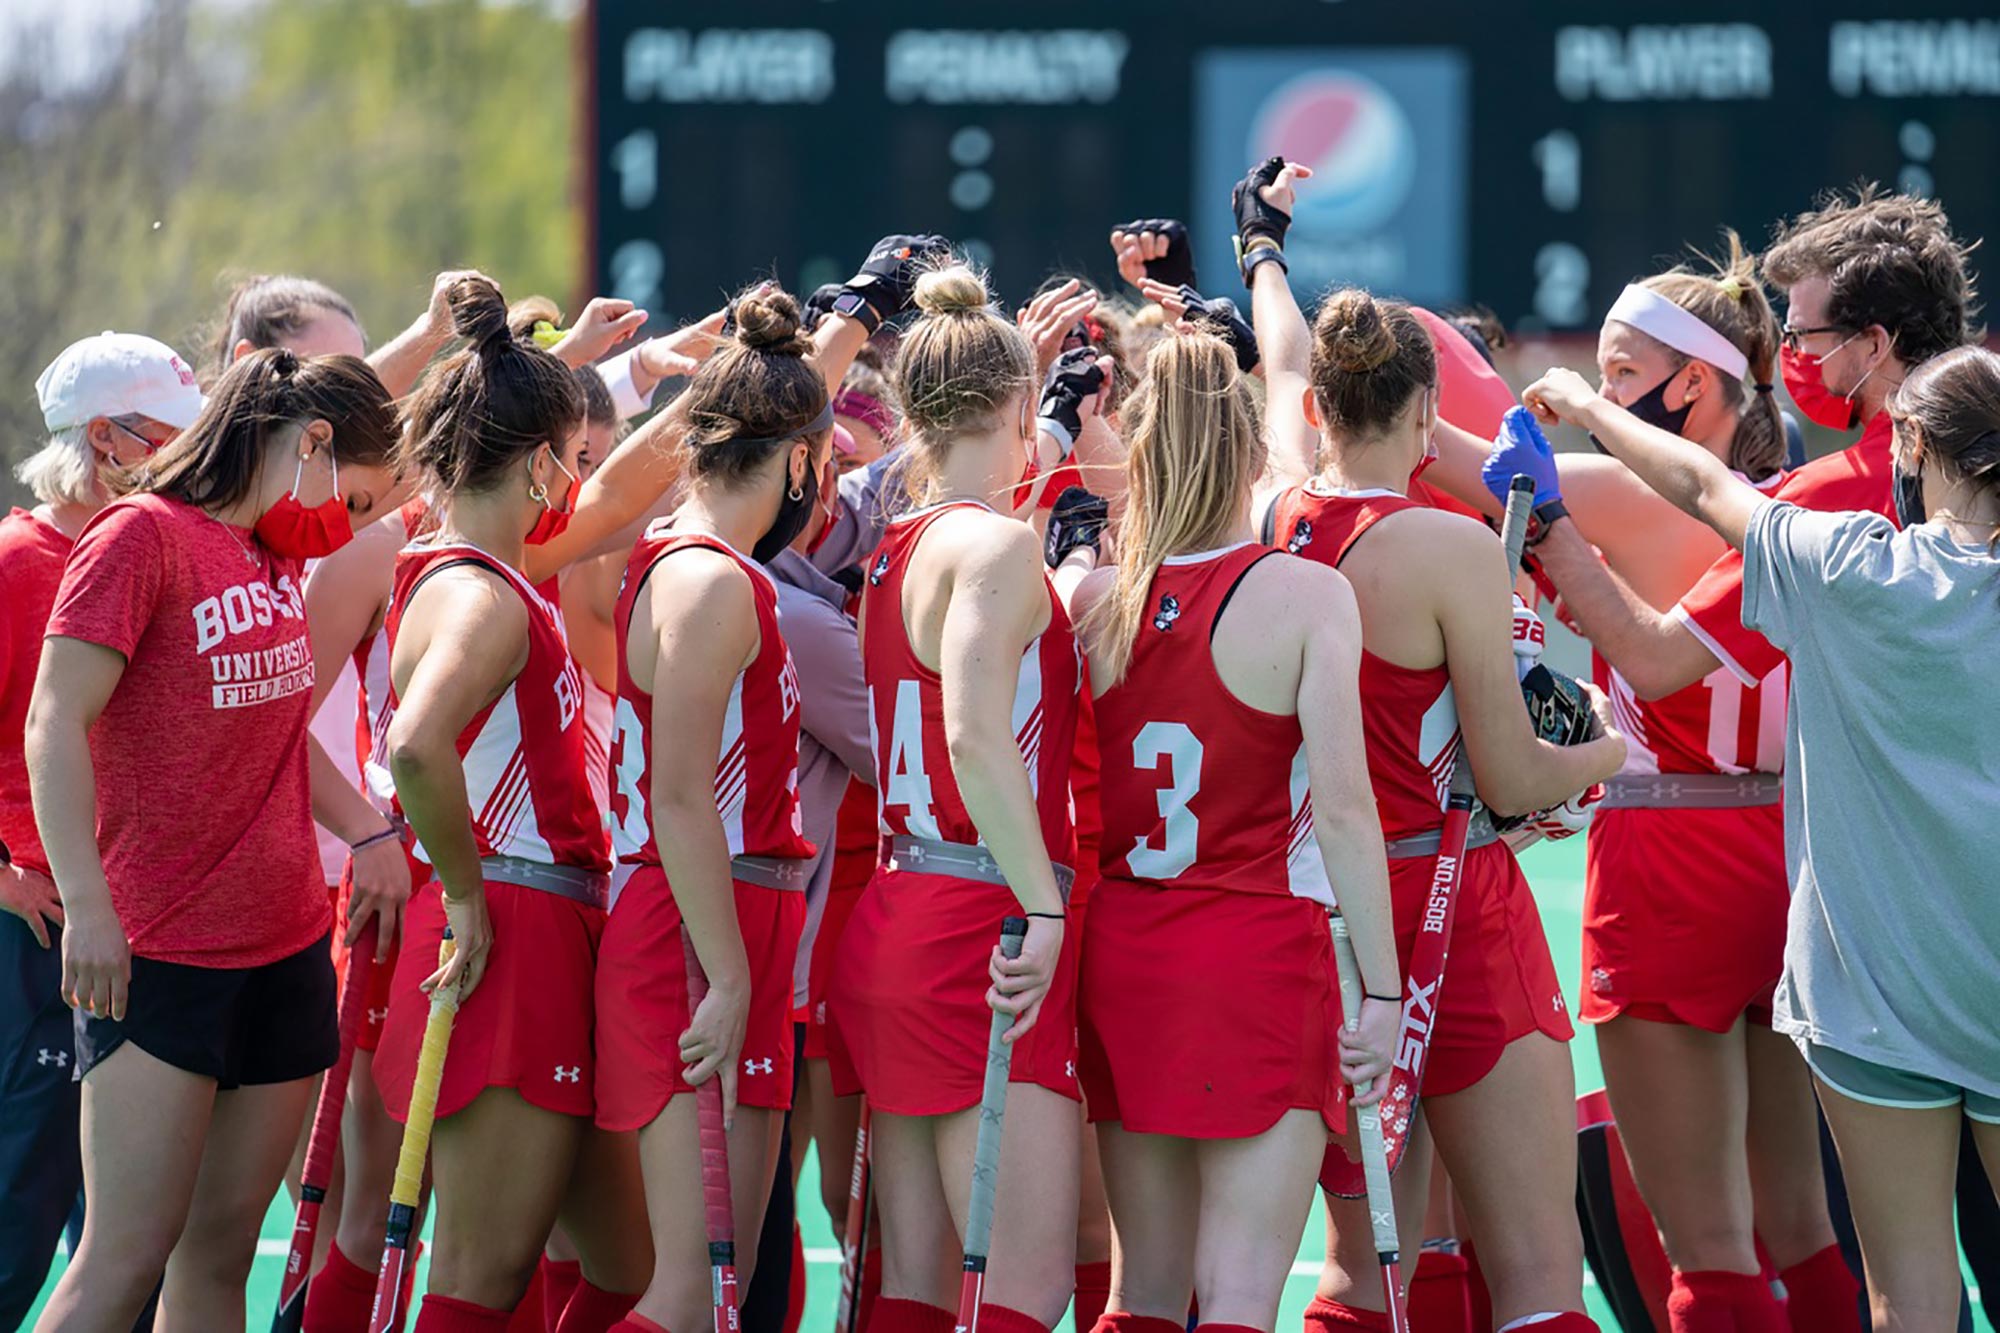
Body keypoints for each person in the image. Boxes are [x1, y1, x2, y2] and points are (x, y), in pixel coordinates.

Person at [1519, 342, 2000, 1333]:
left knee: (1901, 1294)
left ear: (1909, 444)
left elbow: (1701, 484)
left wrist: (1582, 408)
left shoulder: (1842, 562)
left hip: (1873, 995)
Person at [1236, 159, 1625, 1332]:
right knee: (1535, 1273)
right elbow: (1510, 777)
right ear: (1421, 416)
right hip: (1446, 899)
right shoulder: (1445, 549)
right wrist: (1601, 755)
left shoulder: (1273, 503)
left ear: (1318, 410)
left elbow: (1283, 358)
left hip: (1315, 910)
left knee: (1364, 1269)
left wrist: (1261, 252)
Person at [1444, 237, 1854, 1332]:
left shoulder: (1625, 500)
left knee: (1707, 1253)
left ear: (1692, 384)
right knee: (1804, 1229)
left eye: (1622, 375)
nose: (1601, 395)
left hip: (1669, 861)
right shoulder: (1804, 502)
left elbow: (1416, 450)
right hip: (1799, 856)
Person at [24, 346, 400, 1333]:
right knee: (123, 1258)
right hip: (160, 954)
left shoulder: (271, 549)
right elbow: (52, 721)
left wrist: (368, 831)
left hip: (282, 952)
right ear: (306, 444)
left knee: (219, 1254)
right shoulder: (139, 537)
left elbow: (276, 729)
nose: (341, 525)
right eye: (348, 495)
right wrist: (90, 906)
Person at [1067, 328, 1400, 1333]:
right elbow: (1343, 810)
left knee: (1142, 1297)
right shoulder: (1305, 596)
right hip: (1256, 954)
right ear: (1253, 454)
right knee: (1241, 1298)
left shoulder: (1089, 598)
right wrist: (1382, 989)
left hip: (1125, 956)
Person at [370, 276, 648, 1333]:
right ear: (539, 461)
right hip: (513, 930)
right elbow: (412, 744)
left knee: (626, 1268)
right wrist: (469, 895)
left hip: (553, 927)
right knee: (478, 1286)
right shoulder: (480, 594)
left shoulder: (488, 568)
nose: (578, 481)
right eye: (574, 461)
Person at [827, 264, 1087, 1333]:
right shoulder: (990, 543)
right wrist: (1047, 904)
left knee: (920, 1284)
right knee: (1023, 1290)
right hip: (979, 923)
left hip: (904, 909)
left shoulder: (898, 546)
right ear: (1020, 408)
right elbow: (975, 736)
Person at [590, 285, 839, 1333]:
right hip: (701, 932)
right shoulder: (707, 580)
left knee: (717, 1295)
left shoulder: (717, 568)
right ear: (795, 460)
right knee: (693, 1294)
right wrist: (731, 973)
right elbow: (680, 793)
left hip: (730, 920)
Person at [1526, 188, 1974, 704]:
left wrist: (1557, 537)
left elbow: (1655, 662)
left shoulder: (1837, 489)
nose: (1795, 355)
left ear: (1874, 344)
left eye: (1806, 335)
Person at [0, 333, 203, 1328]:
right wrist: (10, 882)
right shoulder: (16, 560)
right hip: (40, 934)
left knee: (130, 1237)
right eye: (170, 435)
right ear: (105, 441)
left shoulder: (145, 546)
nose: (190, 456)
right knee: (18, 1216)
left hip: (133, 930)